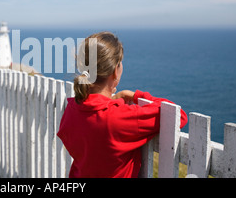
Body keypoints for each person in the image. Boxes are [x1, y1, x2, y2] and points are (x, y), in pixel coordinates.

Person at [57, 31, 188, 178]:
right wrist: (137, 96)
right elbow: (178, 116)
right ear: (115, 71)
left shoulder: (72, 109)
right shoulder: (120, 117)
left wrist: (113, 101)